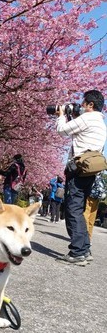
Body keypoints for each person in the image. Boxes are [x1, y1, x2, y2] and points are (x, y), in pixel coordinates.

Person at [54, 89, 106, 266]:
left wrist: (61, 114)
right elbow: (77, 133)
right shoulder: (101, 122)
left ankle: (77, 252)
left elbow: (62, 130)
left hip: (77, 168)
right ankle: (84, 249)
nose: (81, 106)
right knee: (79, 208)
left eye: (84, 103)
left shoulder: (87, 118)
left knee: (73, 209)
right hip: (89, 170)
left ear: (90, 105)